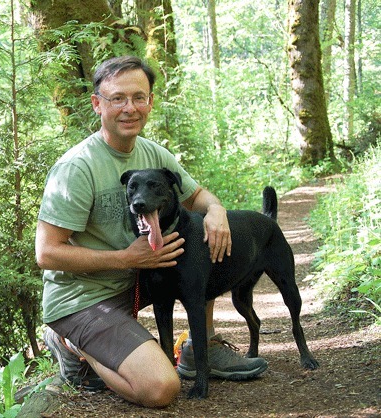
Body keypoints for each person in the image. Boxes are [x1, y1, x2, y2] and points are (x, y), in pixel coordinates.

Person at [35, 56, 267, 407]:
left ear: (150, 102)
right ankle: (75, 345)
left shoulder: (152, 153)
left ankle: (197, 349)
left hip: (138, 287)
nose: (130, 108)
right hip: (85, 298)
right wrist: (127, 258)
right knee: (161, 389)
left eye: (139, 98)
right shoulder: (77, 168)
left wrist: (216, 210)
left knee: (200, 237)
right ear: (98, 103)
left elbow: (196, 196)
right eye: (117, 98)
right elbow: (47, 254)